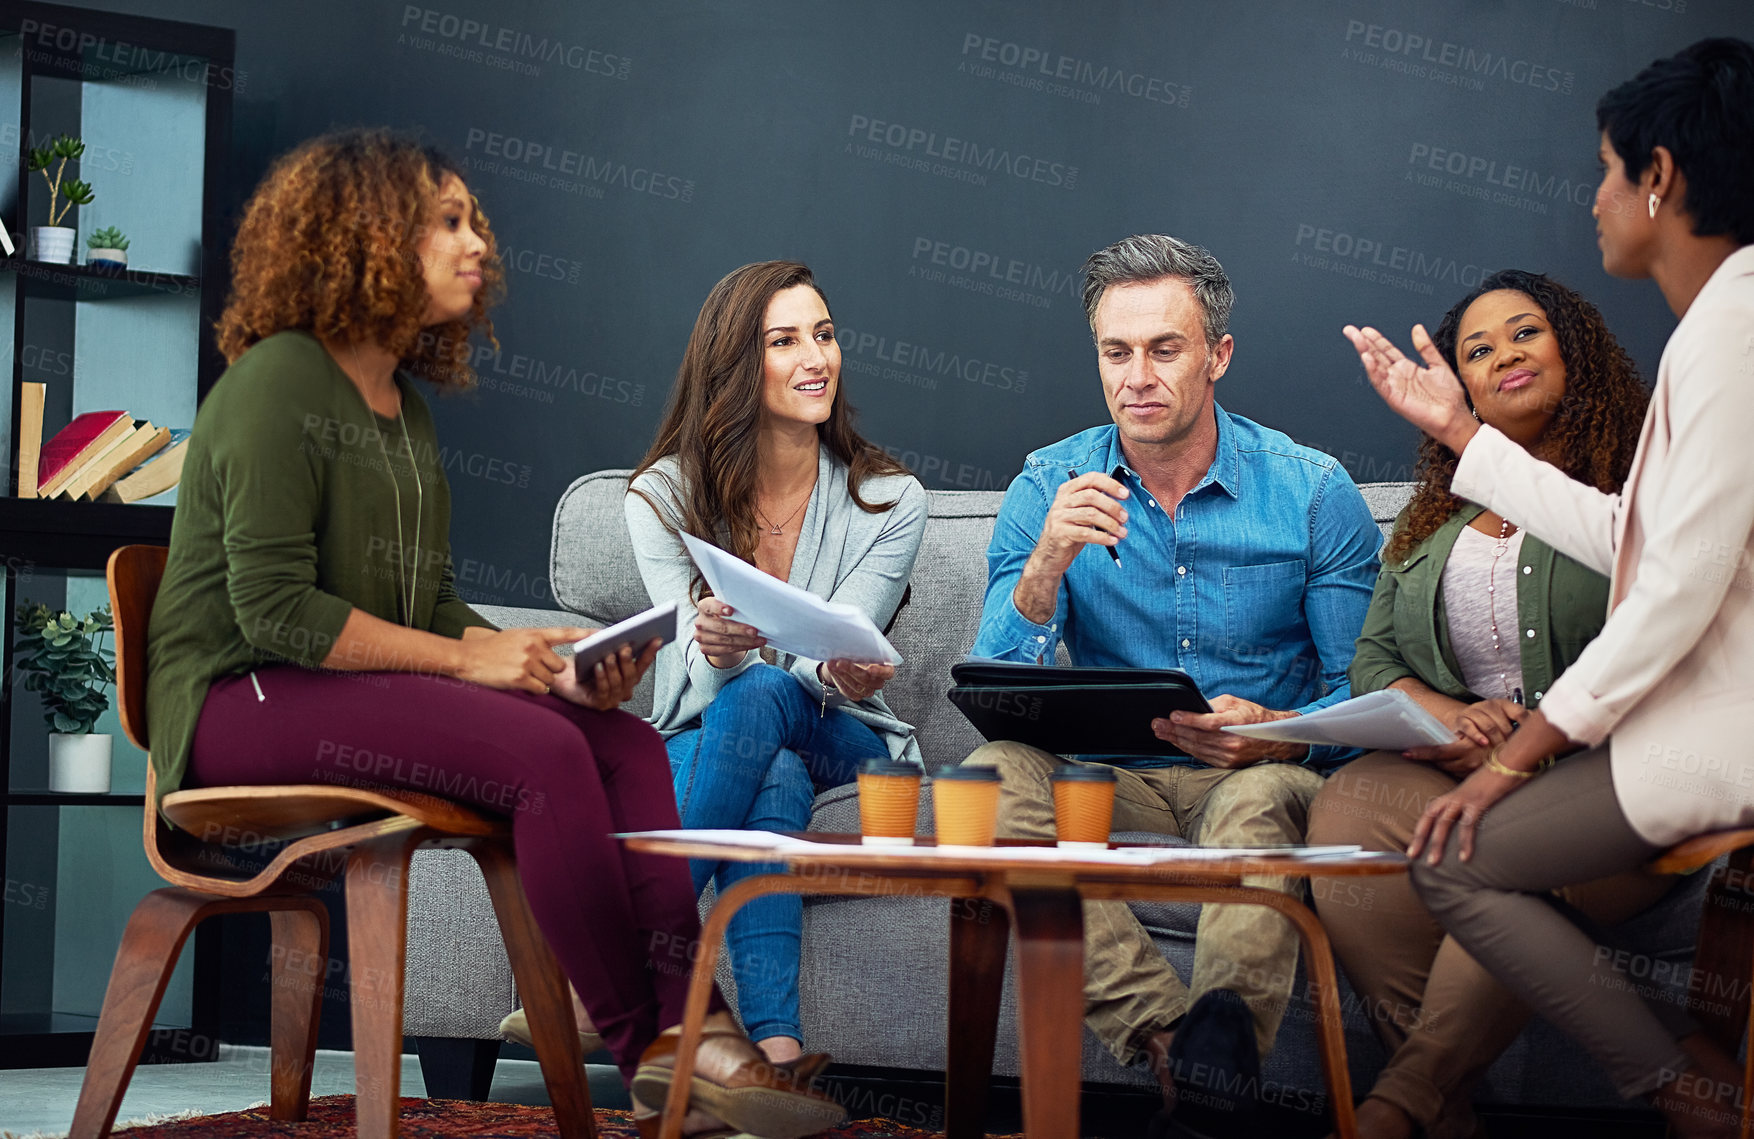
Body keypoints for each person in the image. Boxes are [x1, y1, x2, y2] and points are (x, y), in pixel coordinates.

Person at [146, 130, 842, 1139]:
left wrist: (549, 664)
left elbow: (427, 603)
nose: (479, 243)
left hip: (327, 688)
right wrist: (477, 661)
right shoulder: (278, 381)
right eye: (449, 220)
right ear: (366, 236)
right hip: (229, 701)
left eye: (475, 220)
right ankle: (649, 1047)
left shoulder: (404, 413)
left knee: (623, 737)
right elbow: (272, 610)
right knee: (543, 752)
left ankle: (697, 1030)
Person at [1344, 37, 1754, 1139]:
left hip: (1717, 738)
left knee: (1461, 857)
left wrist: (1516, 756)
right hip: (1679, 731)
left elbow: (1671, 588)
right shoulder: (1714, 325)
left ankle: (1682, 1089)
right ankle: (1658, 1084)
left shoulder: (1734, 330)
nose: (1595, 200)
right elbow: (1633, 533)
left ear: (1657, 177)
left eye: (1606, 172)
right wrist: (1460, 435)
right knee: (1418, 835)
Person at [963, 233, 1383, 1122]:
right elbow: (992, 697)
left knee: (1264, 800)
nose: (1137, 377)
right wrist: (1045, 563)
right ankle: (1182, 1056)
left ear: (1218, 355)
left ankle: (1218, 1055)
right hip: (1114, 779)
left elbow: (1367, 690)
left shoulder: (1313, 492)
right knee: (991, 776)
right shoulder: (1049, 483)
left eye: (1165, 348)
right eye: (1117, 352)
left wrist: (1278, 726)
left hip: (1254, 770)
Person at [1310, 270, 1667, 1139]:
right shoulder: (1430, 521)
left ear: (1572, 351)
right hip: (1473, 769)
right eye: (1478, 348)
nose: (1503, 354)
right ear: (1459, 385)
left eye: (1525, 333)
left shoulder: (1635, 495)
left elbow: (1670, 645)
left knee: (1494, 852)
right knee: (1345, 811)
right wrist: (1449, 714)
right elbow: (1374, 658)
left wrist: (1529, 751)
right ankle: (1448, 1110)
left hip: (1607, 780)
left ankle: (1403, 1101)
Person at [625, 260, 928, 1067]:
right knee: (776, 776)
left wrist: (832, 675)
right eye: (785, 340)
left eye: (824, 335)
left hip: (847, 733)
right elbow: (692, 660)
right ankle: (779, 1056)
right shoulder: (659, 496)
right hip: (714, 722)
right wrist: (712, 648)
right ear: (733, 364)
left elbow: (842, 643)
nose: (815, 358)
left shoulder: (892, 500)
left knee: (765, 694)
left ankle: (631, 962)